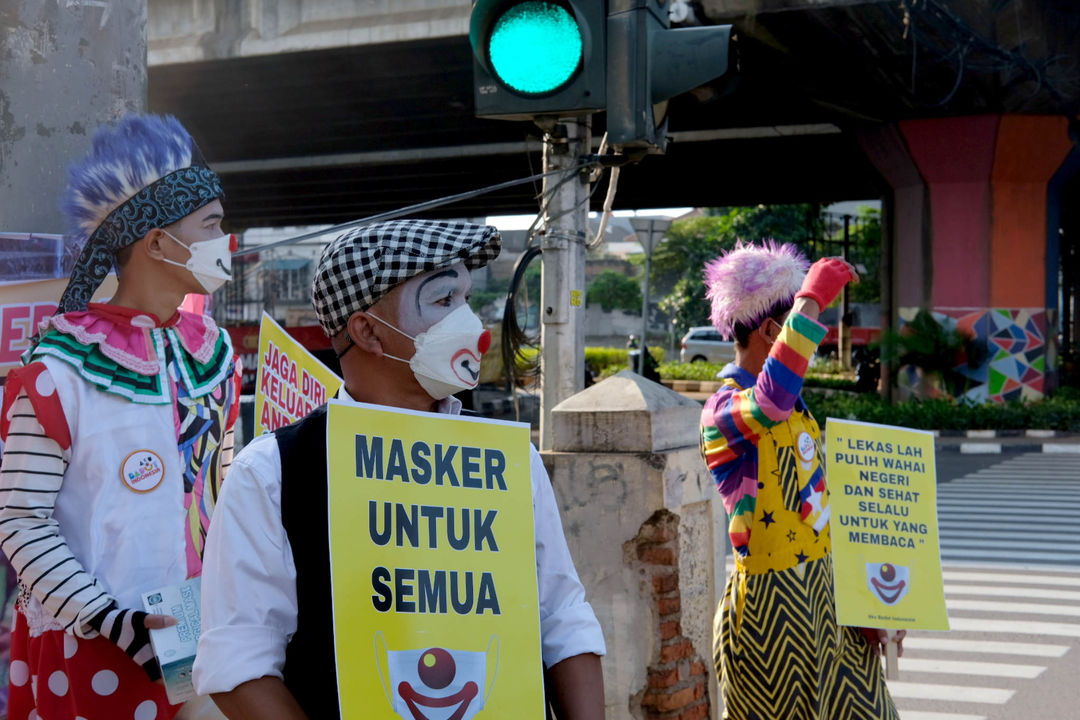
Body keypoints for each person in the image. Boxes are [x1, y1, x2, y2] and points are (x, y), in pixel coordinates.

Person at [193, 219, 607, 719]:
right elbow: (237, 663)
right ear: (366, 330)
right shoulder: (272, 472)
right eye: (441, 302)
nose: (469, 324)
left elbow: (561, 616)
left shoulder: (505, 459)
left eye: (465, 300)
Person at [0, 113, 241, 720]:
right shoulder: (59, 367)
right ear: (158, 244)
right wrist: (116, 622)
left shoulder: (210, 348)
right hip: (92, 638)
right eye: (211, 225)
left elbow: (221, 482)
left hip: (193, 622)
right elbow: (20, 520)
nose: (225, 240)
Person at [698, 241, 902, 720]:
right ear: (773, 331)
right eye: (797, 324)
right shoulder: (723, 411)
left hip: (832, 607)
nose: (814, 340)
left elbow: (824, 511)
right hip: (772, 617)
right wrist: (810, 298)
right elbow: (769, 402)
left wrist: (868, 605)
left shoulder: (799, 408)